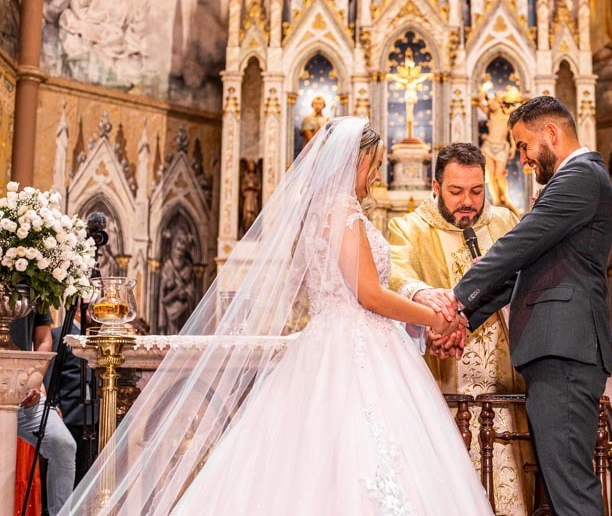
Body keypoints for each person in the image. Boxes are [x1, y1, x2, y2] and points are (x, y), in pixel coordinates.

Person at [60, 117, 491, 515]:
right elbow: (370, 296)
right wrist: (434, 319)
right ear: (354, 162)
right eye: (373, 165)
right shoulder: (341, 211)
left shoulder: (330, 210)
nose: (377, 175)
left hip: (349, 344)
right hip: (353, 350)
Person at [446, 96, 612, 516]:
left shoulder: (580, 177)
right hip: (558, 350)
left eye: (523, 146)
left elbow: (516, 247)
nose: (521, 159)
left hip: (565, 350)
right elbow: (521, 273)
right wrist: (464, 320)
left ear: (552, 134)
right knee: (563, 486)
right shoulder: (575, 180)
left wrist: (452, 300)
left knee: (571, 488)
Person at [388, 142, 532, 514]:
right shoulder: (408, 228)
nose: (467, 201)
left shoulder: (504, 222)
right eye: (455, 192)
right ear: (436, 188)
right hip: (444, 381)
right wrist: (426, 300)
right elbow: (395, 276)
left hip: (504, 380)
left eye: (476, 190)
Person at [11, 312, 77, 515]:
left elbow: (43, 338)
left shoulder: (35, 280)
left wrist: (36, 379)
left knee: (63, 444)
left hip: (23, 391)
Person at [44, 314, 98, 486]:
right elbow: (51, 374)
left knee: (85, 471)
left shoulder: (94, 336)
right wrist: (52, 405)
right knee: (64, 471)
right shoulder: (60, 334)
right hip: (68, 413)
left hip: (92, 416)